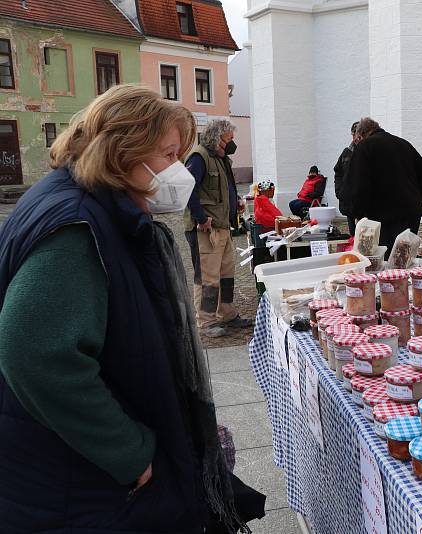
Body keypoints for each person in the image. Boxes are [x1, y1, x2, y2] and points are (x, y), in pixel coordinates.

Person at [0, 85, 265, 531]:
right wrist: (128, 453)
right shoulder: (76, 227)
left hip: (72, 474)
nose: (178, 170)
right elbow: (36, 354)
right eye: (167, 155)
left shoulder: (90, 202)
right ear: (121, 151)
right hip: (74, 483)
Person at [184, 119, 253, 338]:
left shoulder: (221, 159)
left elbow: (226, 188)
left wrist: (237, 202)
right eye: (228, 139)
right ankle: (206, 321)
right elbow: (188, 190)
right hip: (206, 229)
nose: (231, 144)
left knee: (226, 273)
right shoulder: (200, 157)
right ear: (217, 138)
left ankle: (227, 313)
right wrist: (201, 218)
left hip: (223, 226)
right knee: (207, 276)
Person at [348, 117, 422, 254]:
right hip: (411, 213)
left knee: (385, 260)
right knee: (404, 259)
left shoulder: (365, 147)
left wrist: (357, 213)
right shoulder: (403, 143)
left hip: (383, 217)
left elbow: (358, 184)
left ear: (362, 135)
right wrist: (417, 199)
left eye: (356, 139)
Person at [334, 121, 360, 235]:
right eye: (353, 134)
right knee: (352, 232)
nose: (355, 137)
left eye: (357, 134)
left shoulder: (368, 150)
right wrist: (339, 190)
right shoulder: (346, 152)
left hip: (362, 199)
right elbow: (338, 171)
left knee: (364, 230)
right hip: (348, 199)